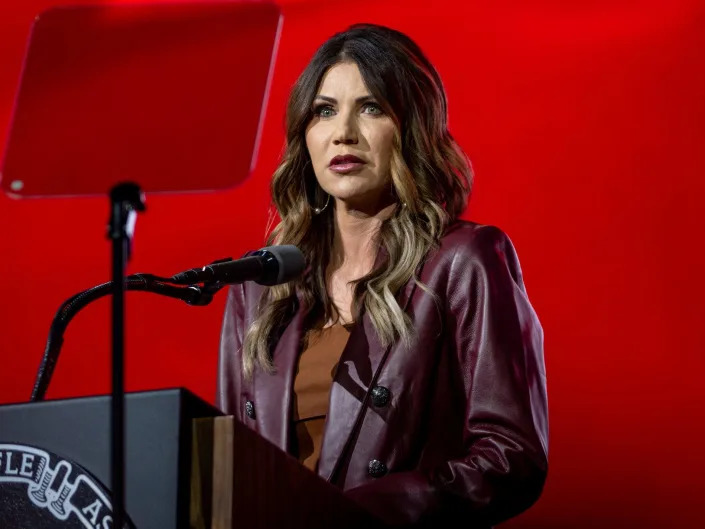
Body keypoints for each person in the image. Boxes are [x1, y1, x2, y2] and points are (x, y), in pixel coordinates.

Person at [217, 23, 548, 528]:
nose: (342, 132)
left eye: (370, 108)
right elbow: (226, 466)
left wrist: (361, 514)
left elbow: (511, 455)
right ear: (305, 135)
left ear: (410, 126)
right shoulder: (258, 286)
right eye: (324, 111)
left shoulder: (464, 261)